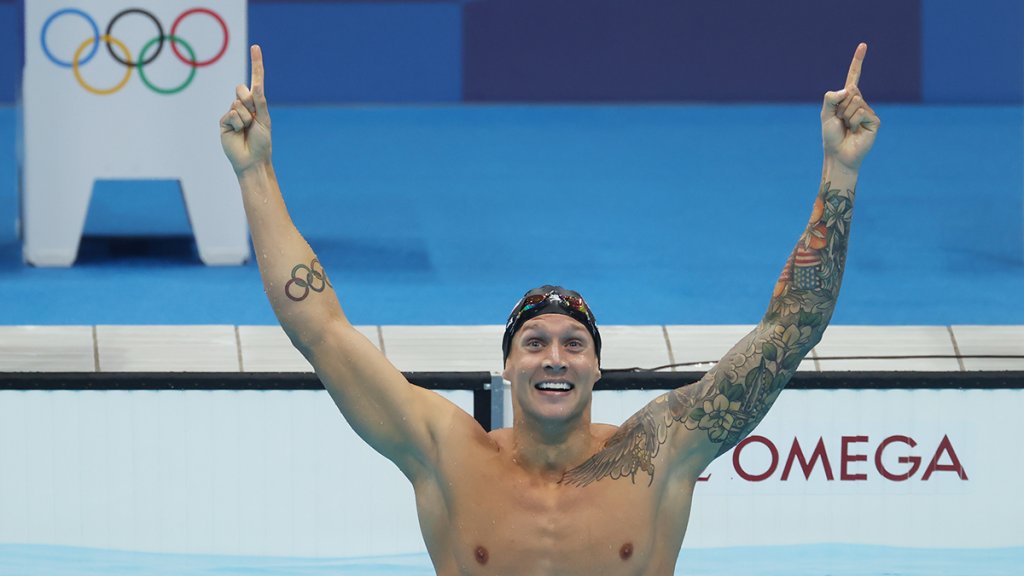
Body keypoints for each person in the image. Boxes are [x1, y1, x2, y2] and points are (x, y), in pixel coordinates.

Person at [220, 43, 879, 575]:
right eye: (533, 343)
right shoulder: (447, 454)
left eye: (573, 343)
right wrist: (256, 173)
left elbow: (791, 330)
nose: (554, 357)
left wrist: (839, 170)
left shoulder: (663, 448)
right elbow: (321, 330)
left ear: (597, 368)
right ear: (505, 368)